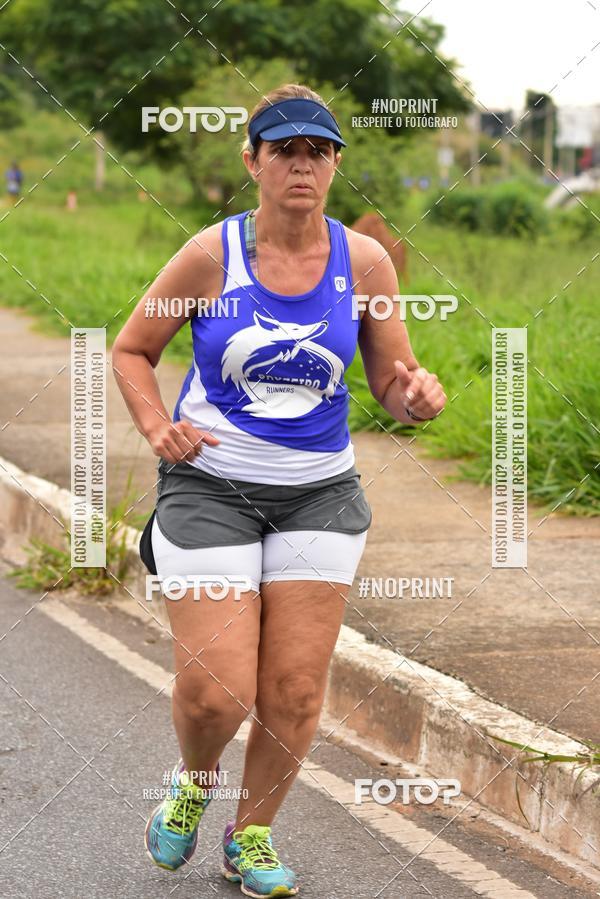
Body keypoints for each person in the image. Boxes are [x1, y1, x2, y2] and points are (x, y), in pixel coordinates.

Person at [112, 82, 446, 897]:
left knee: (295, 689)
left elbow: (390, 386)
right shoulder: (209, 255)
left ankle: (250, 835)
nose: (303, 164)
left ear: (335, 164)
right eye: (285, 149)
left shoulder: (362, 261)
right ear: (252, 160)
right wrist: (158, 427)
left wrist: (417, 399)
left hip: (319, 495)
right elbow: (132, 349)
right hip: (212, 487)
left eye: (319, 151)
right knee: (218, 690)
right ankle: (195, 784)